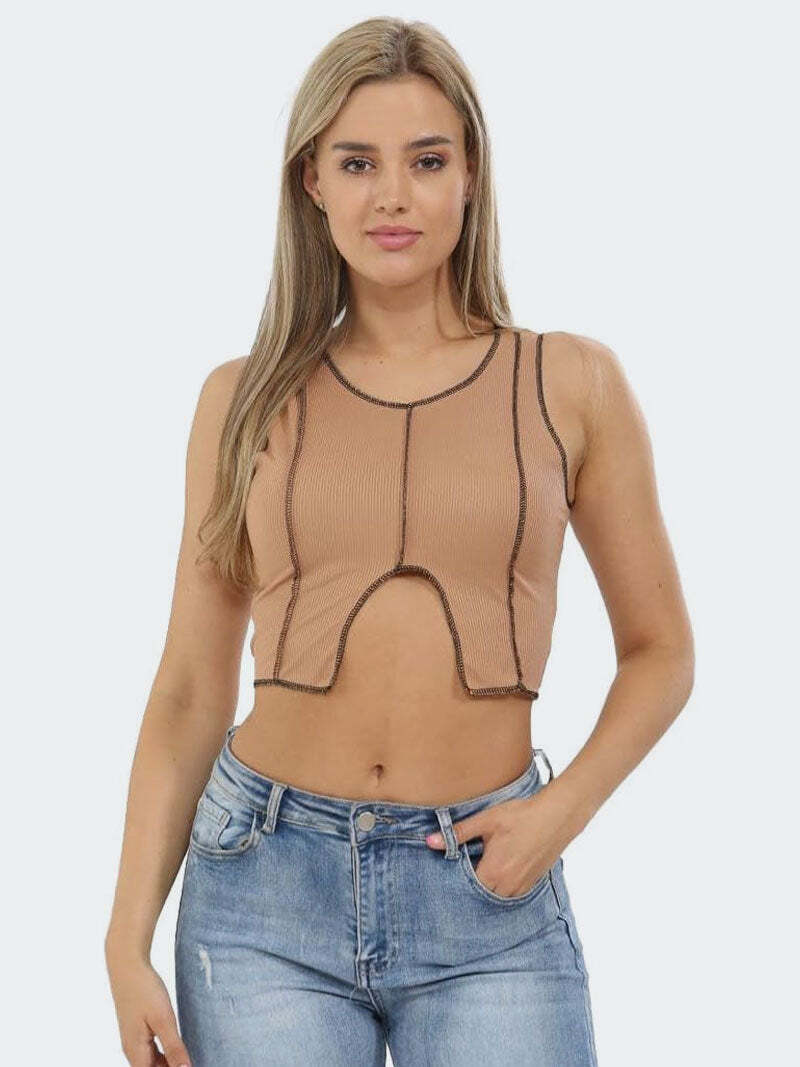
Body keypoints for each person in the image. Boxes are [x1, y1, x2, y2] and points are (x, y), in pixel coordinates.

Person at [105, 16, 694, 1067]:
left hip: (488, 891)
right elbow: (190, 687)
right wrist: (124, 936)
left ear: (470, 176)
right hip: (260, 892)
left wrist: (557, 811)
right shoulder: (242, 400)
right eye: (356, 162)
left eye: (425, 161)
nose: (391, 196)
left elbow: (660, 651)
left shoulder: (570, 383)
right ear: (311, 183)